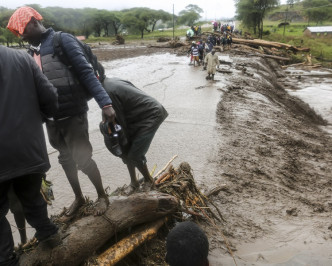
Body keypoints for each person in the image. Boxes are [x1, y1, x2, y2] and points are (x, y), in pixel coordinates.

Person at [7, 7, 116, 217]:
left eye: (22, 30)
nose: (21, 36)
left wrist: (105, 104)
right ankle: (79, 198)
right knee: (65, 160)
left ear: (32, 22)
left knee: (83, 159)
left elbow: (86, 73)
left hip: (73, 114)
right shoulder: (32, 51)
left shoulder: (62, 40)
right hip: (51, 119)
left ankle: (102, 196)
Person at [0, 45, 60, 266]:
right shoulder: (21, 58)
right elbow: (51, 96)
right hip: (28, 148)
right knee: (33, 196)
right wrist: (38, 119)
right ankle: (50, 236)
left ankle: (6, 259)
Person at [100, 77, 168, 193]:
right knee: (126, 151)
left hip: (151, 114)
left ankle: (148, 180)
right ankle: (134, 182)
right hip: (137, 116)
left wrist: (121, 143)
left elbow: (120, 123)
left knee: (134, 154)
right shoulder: (109, 82)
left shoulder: (107, 92)